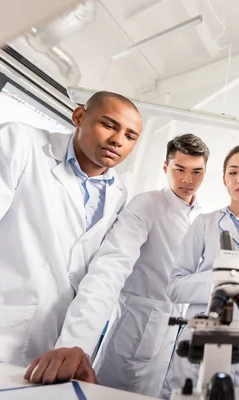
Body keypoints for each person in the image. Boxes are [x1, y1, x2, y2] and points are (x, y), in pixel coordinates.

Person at [0, 91, 143, 385]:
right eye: (109, 124)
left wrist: (75, 345)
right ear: (79, 117)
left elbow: (98, 278)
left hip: (45, 354)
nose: (118, 140)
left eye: (130, 136)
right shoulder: (17, 142)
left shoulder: (118, 193)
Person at [161, 145, 239, 400]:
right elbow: (175, 286)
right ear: (224, 179)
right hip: (204, 343)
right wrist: (232, 277)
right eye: (233, 172)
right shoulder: (205, 224)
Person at [90, 134, 209, 397]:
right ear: (166, 168)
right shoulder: (147, 204)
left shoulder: (203, 218)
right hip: (137, 327)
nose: (188, 180)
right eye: (180, 169)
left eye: (197, 171)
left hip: (175, 332)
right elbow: (114, 262)